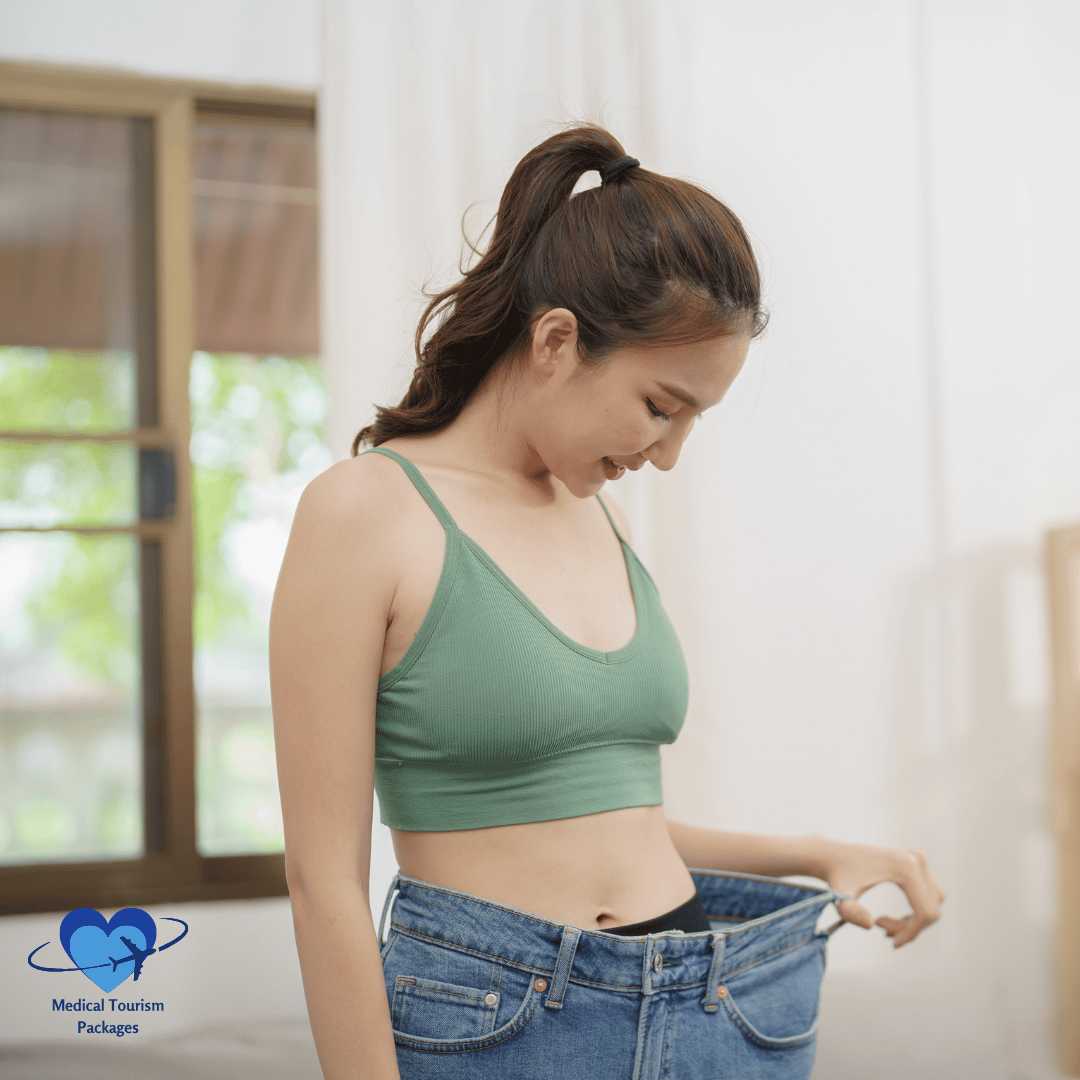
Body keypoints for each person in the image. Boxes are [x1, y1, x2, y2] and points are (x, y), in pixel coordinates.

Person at [269, 123, 945, 1079]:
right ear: (556, 339)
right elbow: (322, 883)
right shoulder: (366, 512)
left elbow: (596, 822)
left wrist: (813, 852)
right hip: (505, 1023)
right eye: (660, 406)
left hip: (714, 1001)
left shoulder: (600, 516)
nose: (666, 454)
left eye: (694, 421)